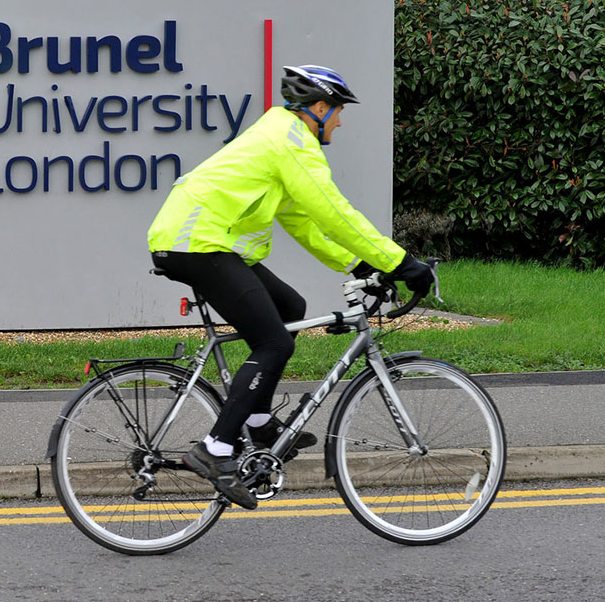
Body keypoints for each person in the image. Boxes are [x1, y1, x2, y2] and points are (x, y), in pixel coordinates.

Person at [146, 64, 435, 510]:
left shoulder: (279, 137)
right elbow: (333, 211)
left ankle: (259, 422)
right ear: (318, 109)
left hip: (203, 243)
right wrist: (399, 262)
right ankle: (216, 448)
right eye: (337, 112)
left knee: (289, 305)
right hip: (196, 244)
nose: (339, 121)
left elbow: (302, 221)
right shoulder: (292, 142)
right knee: (274, 343)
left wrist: (358, 263)